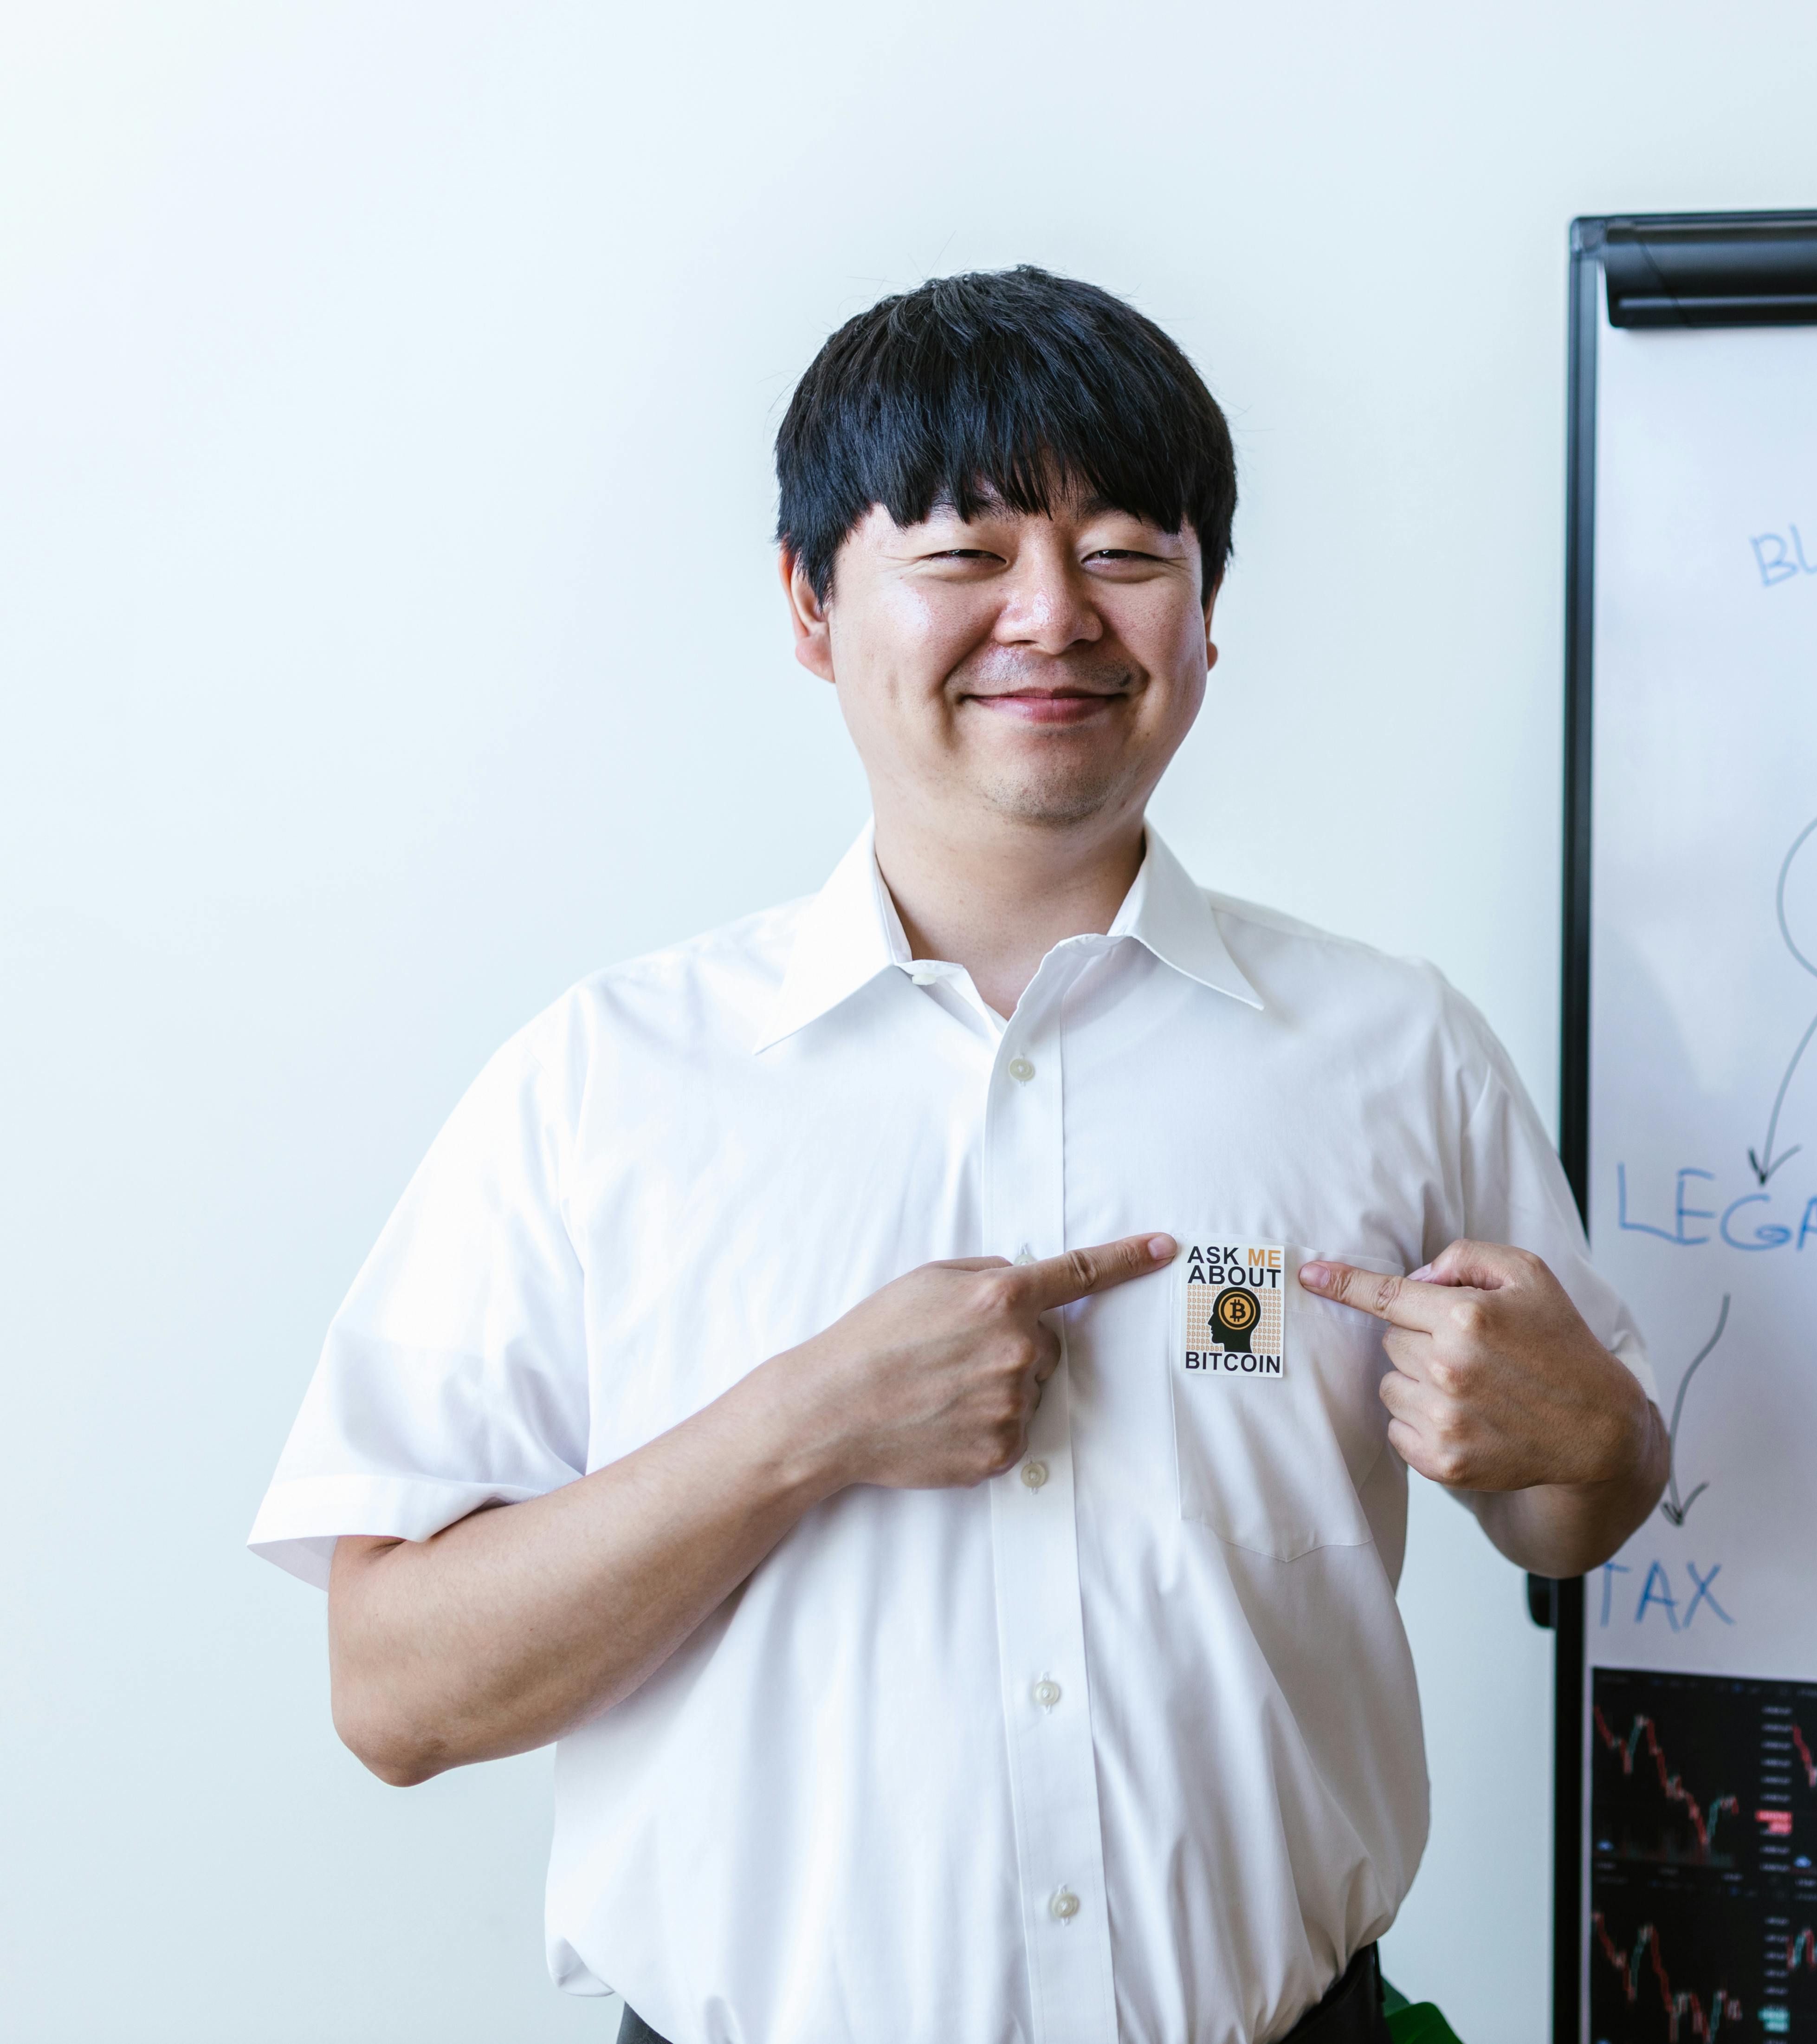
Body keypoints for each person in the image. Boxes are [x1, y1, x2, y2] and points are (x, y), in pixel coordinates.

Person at [249, 266, 1667, 2044]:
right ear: (809, 604)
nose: (1053, 614)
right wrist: (798, 1430)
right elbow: (393, 1694)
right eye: (966, 550)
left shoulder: (1395, 1048)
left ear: (1209, 614)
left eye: (1130, 550)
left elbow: (1567, 1507)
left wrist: (1595, 1442)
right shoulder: (603, 1085)